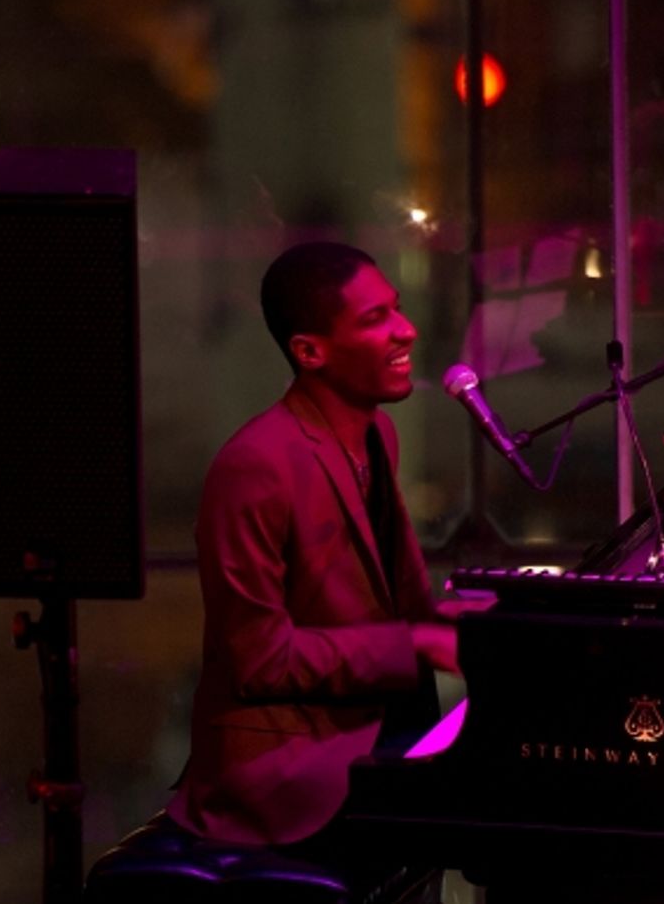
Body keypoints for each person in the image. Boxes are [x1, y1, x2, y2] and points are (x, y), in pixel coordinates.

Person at [166, 241, 463, 851]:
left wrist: (479, 618)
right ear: (309, 352)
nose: (406, 330)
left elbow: (388, 601)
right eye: (375, 319)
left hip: (375, 717)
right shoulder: (255, 466)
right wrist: (414, 642)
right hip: (288, 762)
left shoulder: (378, 432)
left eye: (397, 308)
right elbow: (260, 660)